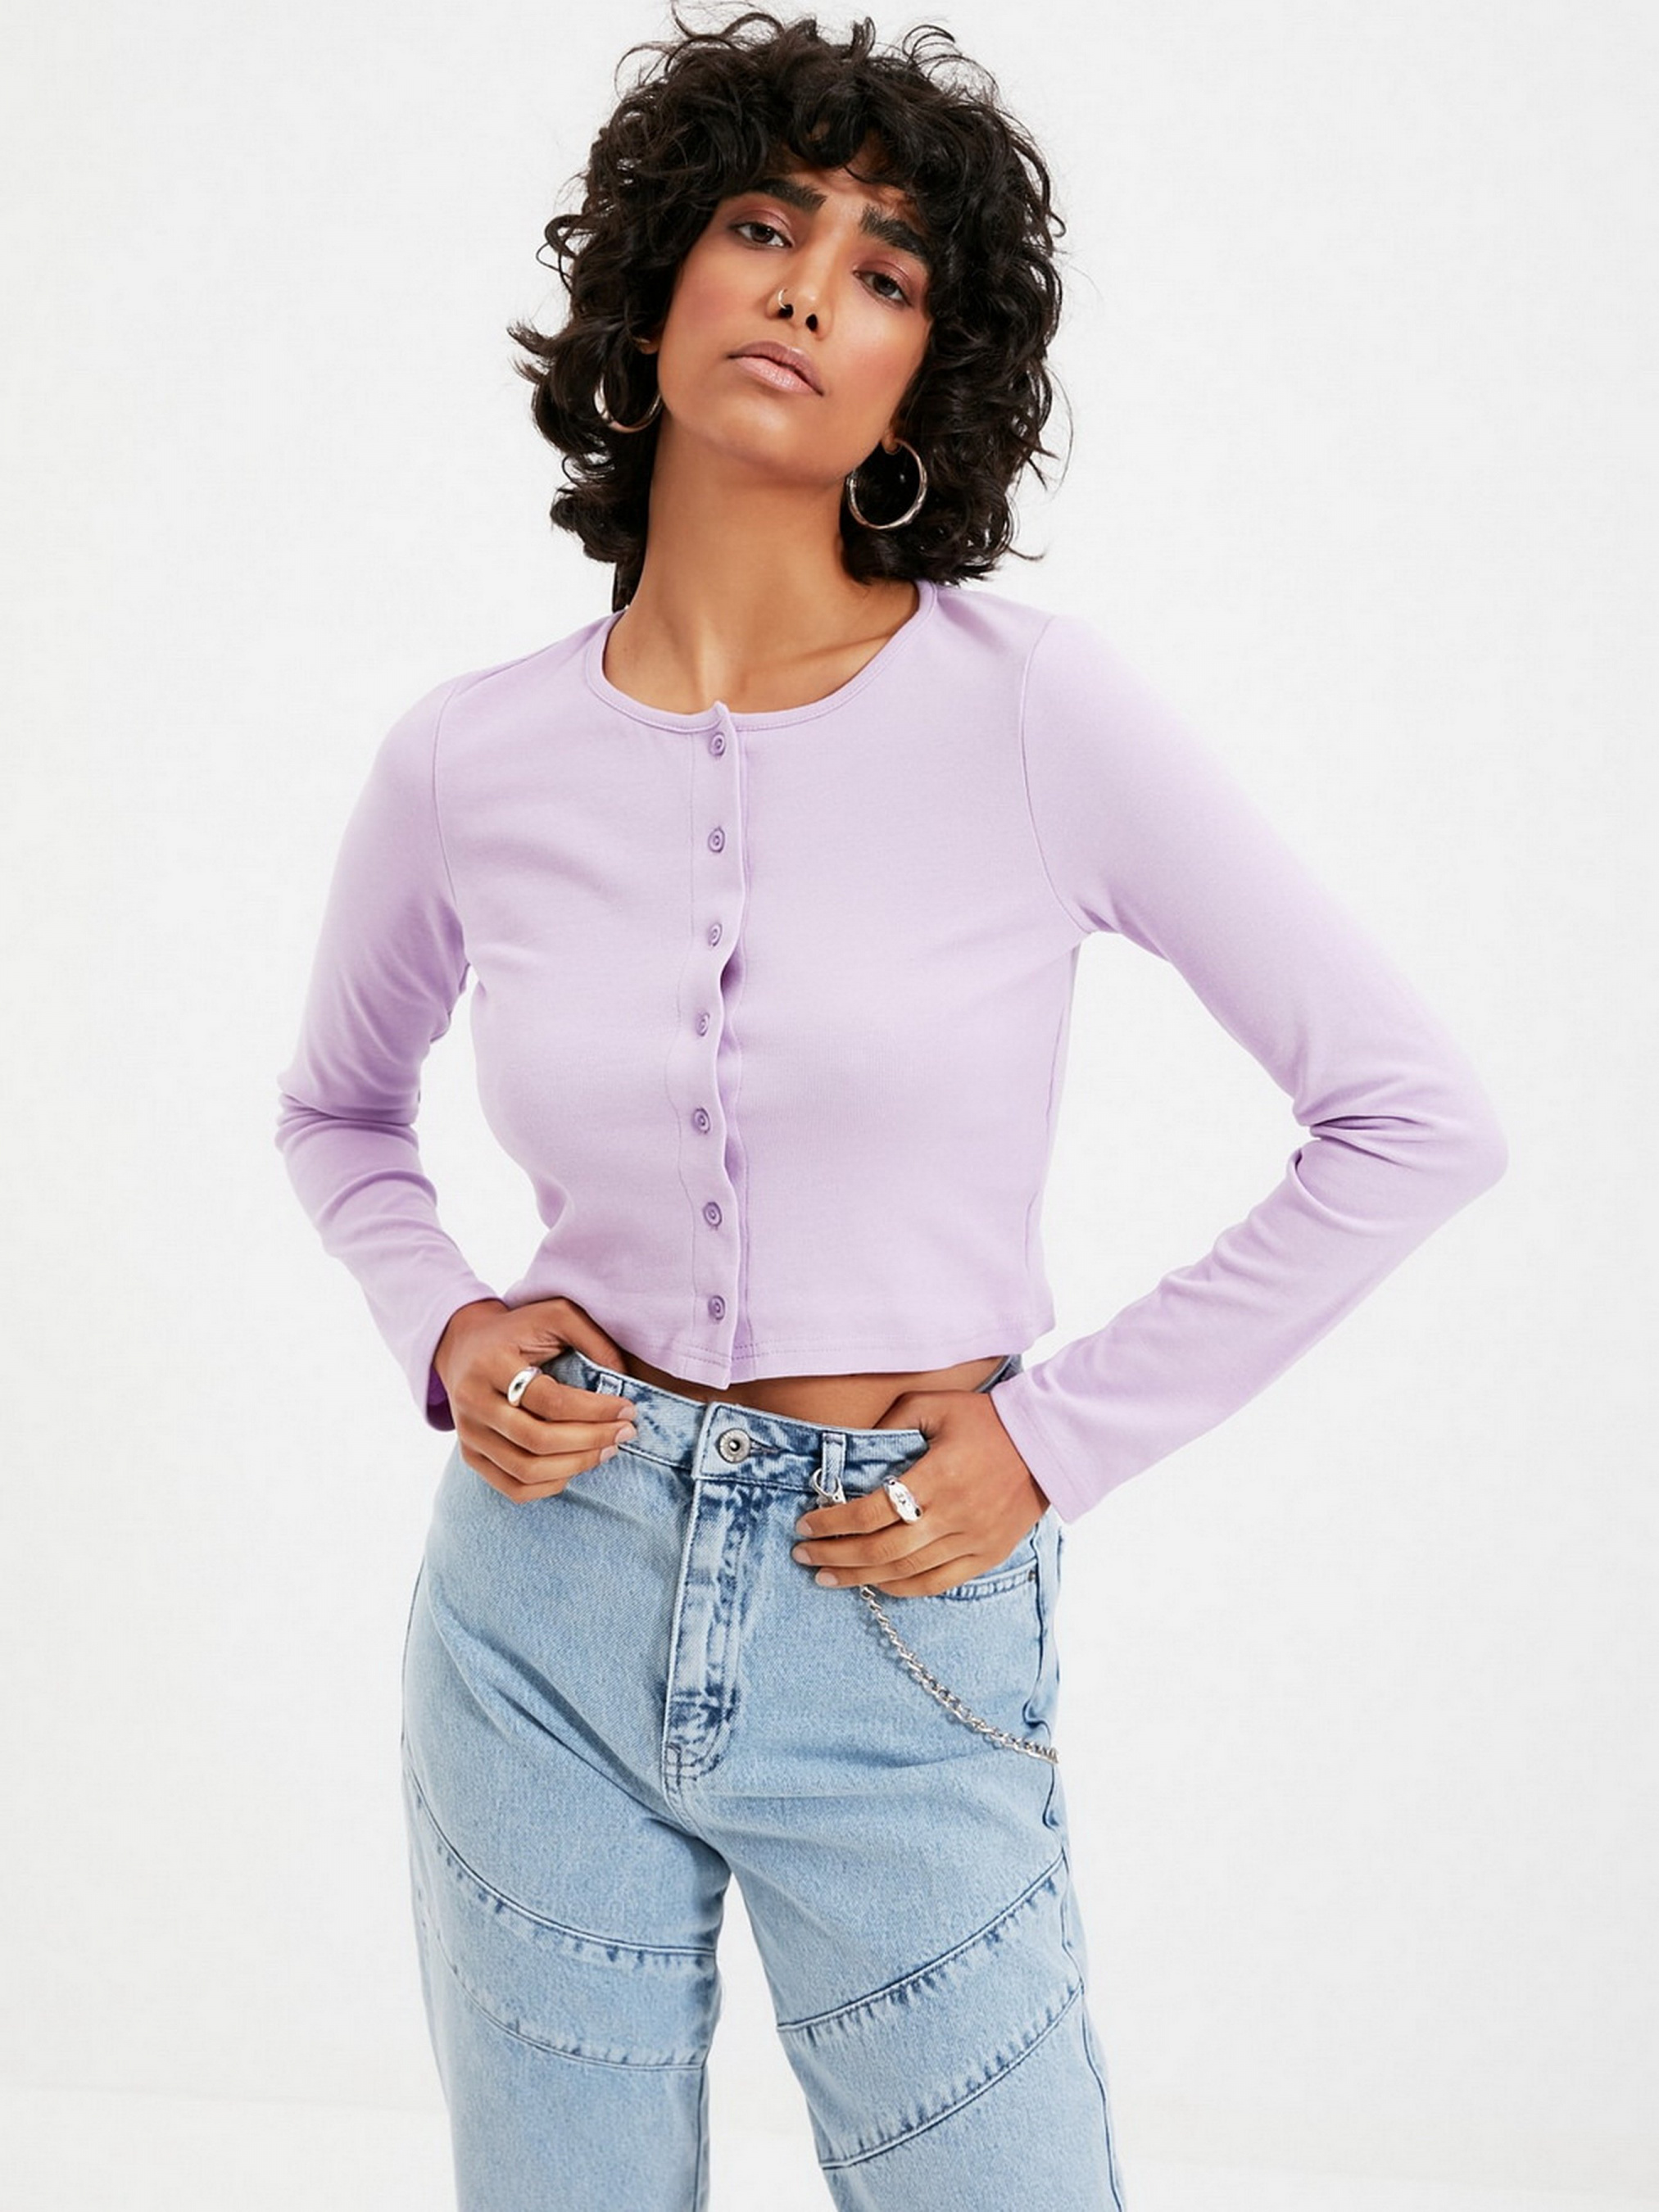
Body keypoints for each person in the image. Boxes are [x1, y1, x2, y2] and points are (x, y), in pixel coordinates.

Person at [273, 11, 1507, 2209]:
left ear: (923, 377)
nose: (806, 292)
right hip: (538, 1602)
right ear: (658, 284)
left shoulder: (1036, 717)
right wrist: (446, 1326)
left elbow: (1412, 1119)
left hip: (895, 1600)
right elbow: (338, 1115)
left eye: (883, 270)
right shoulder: (465, 758)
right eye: (762, 228)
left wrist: (1057, 1440)